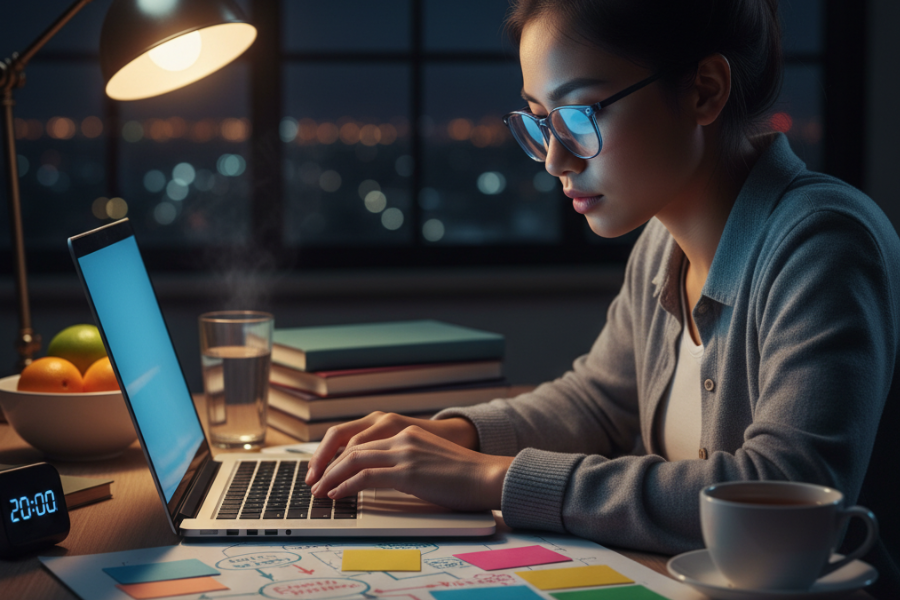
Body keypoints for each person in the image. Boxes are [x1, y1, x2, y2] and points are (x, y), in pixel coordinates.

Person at [306, 0, 900, 566]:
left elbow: (784, 491)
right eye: (541, 122)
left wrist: (490, 477)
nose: (554, 160)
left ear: (704, 90)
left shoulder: (823, 243)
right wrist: (451, 435)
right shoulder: (661, 244)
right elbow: (598, 404)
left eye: (578, 116)